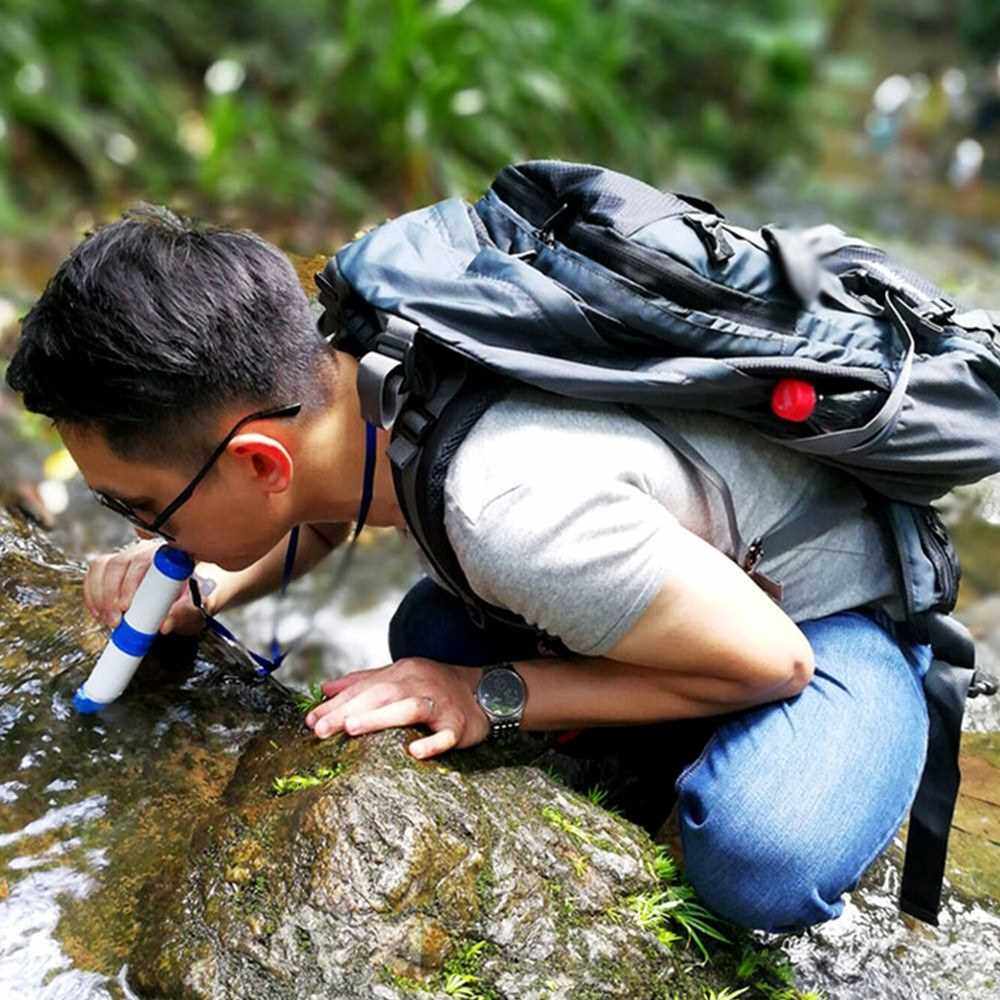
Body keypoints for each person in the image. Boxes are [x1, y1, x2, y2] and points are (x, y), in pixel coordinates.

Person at [5, 206, 933, 933]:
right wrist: (208, 584)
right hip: (673, 572)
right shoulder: (353, 354)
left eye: (140, 505)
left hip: (823, 618)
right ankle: (654, 711)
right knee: (429, 630)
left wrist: (482, 693)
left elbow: (775, 661)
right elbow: (322, 500)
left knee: (758, 855)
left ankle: (859, 727)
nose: (139, 529)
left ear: (257, 461)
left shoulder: (506, 509)